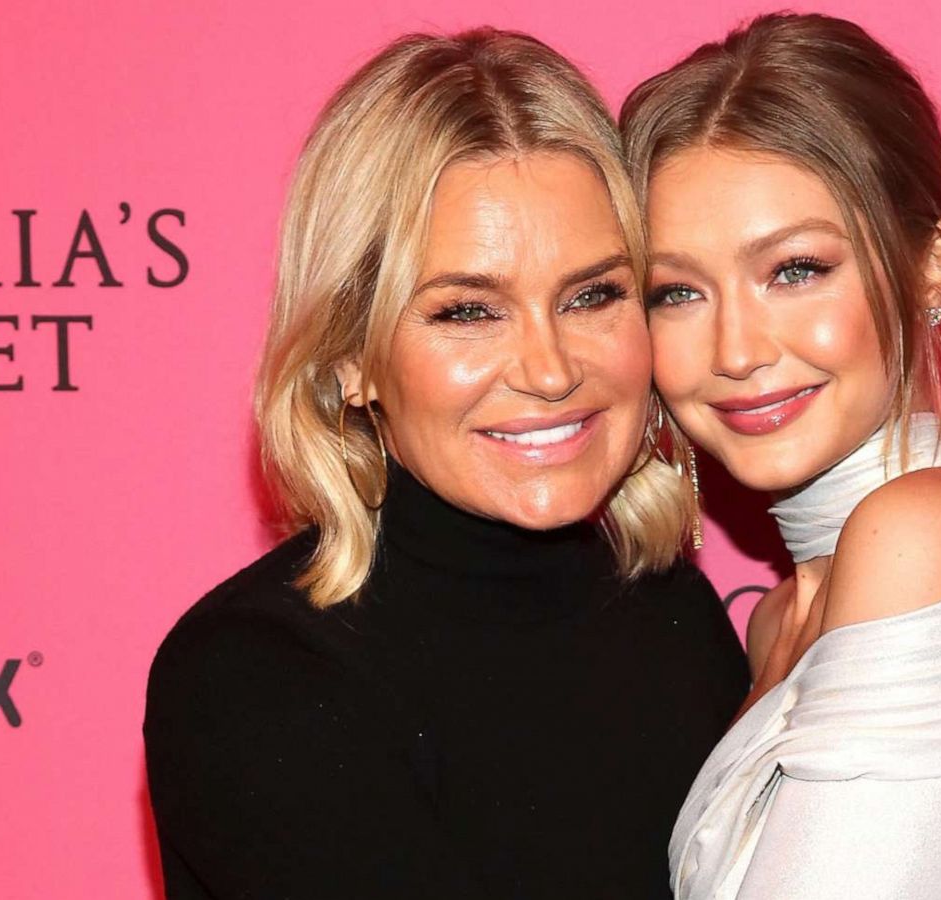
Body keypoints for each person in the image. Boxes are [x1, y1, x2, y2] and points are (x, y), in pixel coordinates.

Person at [143, 29, 749, 899]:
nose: (549, 369)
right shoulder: (257, 678)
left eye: (592, 295)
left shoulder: (671, 610)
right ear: (349, 356)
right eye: (468, 311)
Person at [621, 13, 941, 899]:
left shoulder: (930, 537)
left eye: (796, 269)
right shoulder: (781, 617)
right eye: (678, 290)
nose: (736, 348)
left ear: (931, 264)